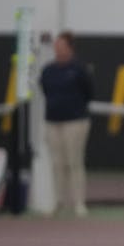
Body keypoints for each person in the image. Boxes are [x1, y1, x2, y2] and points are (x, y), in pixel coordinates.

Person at [38, 31, 95, 217]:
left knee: (74, 162)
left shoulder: (79, 69)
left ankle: (78, 203)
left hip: (76, 122)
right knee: (57, 163)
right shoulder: (48, 71)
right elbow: (45, 90)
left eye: (62, 46)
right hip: (53, 122)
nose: (58, 49)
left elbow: (89, 92)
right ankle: (58, 202)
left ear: (70, 48)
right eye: (56, 46)